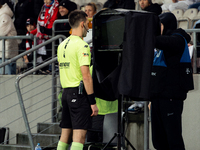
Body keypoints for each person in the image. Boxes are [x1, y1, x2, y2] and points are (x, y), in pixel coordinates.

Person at [150, 12, 194, 150]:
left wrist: (146, 35)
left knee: (173, 139)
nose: (158, 29)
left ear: (167, 25)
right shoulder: (161, 46)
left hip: (170, 98)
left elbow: (165, 42)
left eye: (160, 25)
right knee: (158, 141)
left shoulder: (178, 40)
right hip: (157, 97)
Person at [56, 10, 98, 150]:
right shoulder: (82, 45)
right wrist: (92, 102)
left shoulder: (62, 44)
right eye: (87, 23)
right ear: (82, 24)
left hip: (66, 94)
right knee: (79, 137)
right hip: (78, 95)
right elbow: (86, 76)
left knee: (65, 135)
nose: (88, 27)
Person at [31, 0, 59, 73]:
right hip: (44, 36)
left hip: (50, 35)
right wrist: (33, 32)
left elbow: (52, 21)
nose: (46, 1)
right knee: (45, 54)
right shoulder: (44, 8)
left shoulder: (55, 7)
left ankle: (52, 69)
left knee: (51, 54)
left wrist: (45, 30)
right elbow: (41, 24)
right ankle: (48, 69)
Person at [0, 2, 18, 75]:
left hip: (6, 53)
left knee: (8, 76)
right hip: (3, 52)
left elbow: (1, 32)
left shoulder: (4, 16)